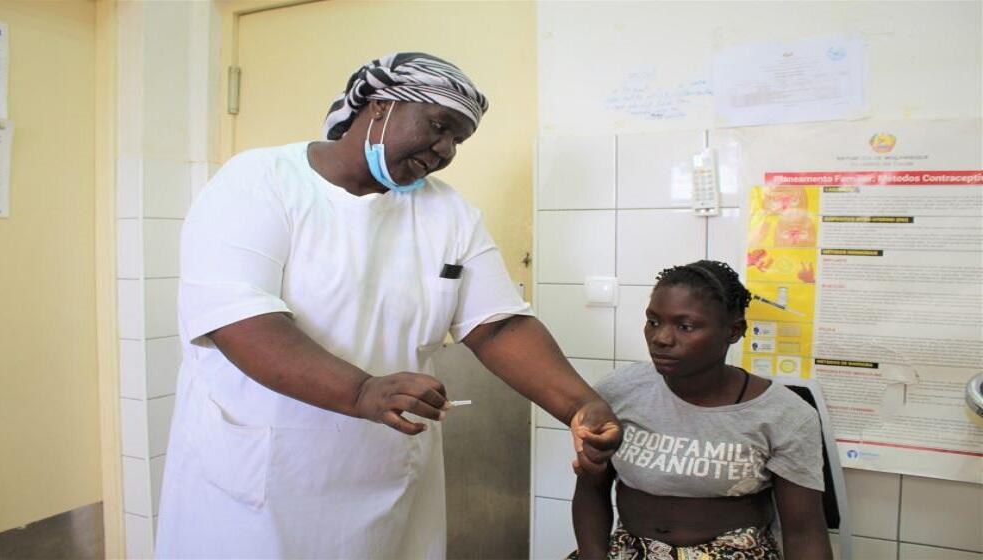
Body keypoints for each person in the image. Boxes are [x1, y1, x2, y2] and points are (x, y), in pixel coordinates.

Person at [155, 52, 621, 559]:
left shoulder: (449, 213)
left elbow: (497, 326)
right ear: (379, 106)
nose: (444, 151)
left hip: (383, 474)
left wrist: (578, 405)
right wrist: (361, 392)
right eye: (439, 126)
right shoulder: (260, 181)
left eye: (458, 141)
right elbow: (239, 320)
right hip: (260, 484)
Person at [571, 260, 832, 560]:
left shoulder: (784, 415)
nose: (661, 339)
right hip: (631, 551)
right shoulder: (618, 391)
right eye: (653, 321)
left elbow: (804, 531)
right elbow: (591, 489)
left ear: (733, 331)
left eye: (685, 326)